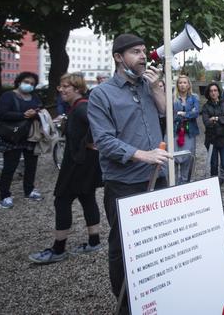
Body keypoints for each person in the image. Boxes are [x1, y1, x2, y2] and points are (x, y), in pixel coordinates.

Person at [88, 34, 171, 307]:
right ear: (118, 57)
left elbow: (169, 115)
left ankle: (155, 296)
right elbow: (104, 141)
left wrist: (158, 87)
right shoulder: (101, 94)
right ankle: (126, 304)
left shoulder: (148, 87)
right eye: (135, 52)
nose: (143, 56)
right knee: (124, 248)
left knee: (157, 242)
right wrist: (143, 155)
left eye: (144, 51)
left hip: (156, 178)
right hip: (124, 182)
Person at [28, 73, 103, 264]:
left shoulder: (82, 108)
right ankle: (94, 241)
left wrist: (91, 143)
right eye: (60, 86)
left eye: (65, 86)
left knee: (61, 201)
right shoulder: (77, 107)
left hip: (78, 164)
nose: (60, 89)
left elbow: (100, 127)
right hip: (85, 162)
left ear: (77, 89)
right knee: (87, 197)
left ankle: (58, 249)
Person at [0, 71, 43, 209]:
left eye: (32, 84)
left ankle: (29, 190)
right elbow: (2, 114)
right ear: (19, 81)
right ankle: (5, 196)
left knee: (31, 166)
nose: (29, 85)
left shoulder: (34, 96)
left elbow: (40, 108)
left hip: (30, 136)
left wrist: (36, 113)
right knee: (9, 167)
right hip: (13, 136)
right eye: (27, 82)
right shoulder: (8, 96)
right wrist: (23, 115)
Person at [201, 82, 224, 198]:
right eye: (211, 91)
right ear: (208, 93)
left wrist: (216, 118)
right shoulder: (206, 107)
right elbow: (206, 123)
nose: (213, 92)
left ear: (218, 91)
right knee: (214, 164)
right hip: (211, 140)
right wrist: (222, 119)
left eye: (215, 90)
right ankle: (214, 190)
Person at [172, 75, 199, 184]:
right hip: (174, 131)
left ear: (188, 85)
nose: (182, 85)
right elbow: (171, 115)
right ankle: (173, 184)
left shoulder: (194, 97)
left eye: (185, 83)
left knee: (188, 157)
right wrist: (188, 114)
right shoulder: (172, 98)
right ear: (177, 85)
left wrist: (182, 113)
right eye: (180, 83)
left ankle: (185, 184)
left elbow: (196, 113)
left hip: (189, 132)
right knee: (173, 157)